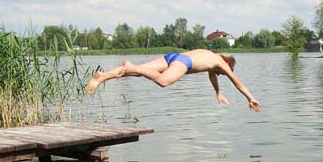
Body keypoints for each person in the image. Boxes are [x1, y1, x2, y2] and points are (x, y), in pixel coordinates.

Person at [85, 49, 261, 111]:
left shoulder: (212, 57)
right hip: (183, 62)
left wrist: (218, 93)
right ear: (229, 64)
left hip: (173, 56)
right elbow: (238, 83)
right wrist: (250, 98)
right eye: (230, 70)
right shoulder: (222, 63)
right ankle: (132, 66)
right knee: (163, 81)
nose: (226, 73)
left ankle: (102, 76)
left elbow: (212, 76)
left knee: (141, 71)